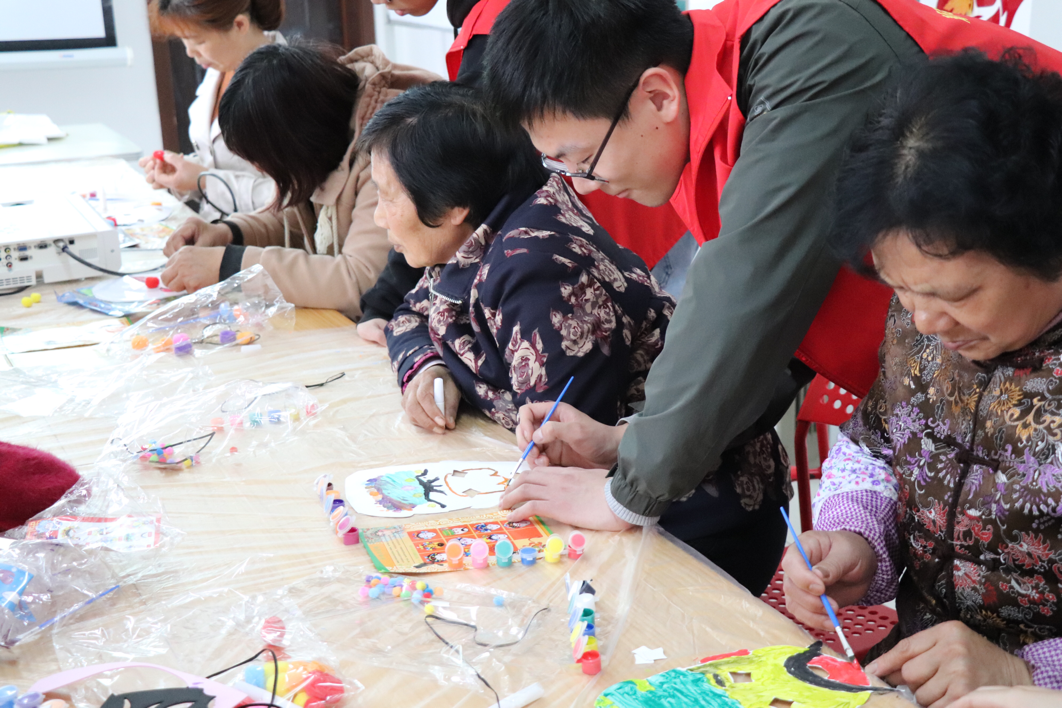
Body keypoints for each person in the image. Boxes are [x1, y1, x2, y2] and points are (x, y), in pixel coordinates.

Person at [485, 0, 1062, 596]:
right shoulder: (717, 125)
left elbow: (748, 294)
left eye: (584, 161)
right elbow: (813, 378)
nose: (584, 188)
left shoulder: (809, 52)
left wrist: (628, 491)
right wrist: (631, 440)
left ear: (658, 96)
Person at [781, 52, 1062, 706]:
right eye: (900, 289)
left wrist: (1025, 675)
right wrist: (856, 538)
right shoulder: (922, 321)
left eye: (957, 295)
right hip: (920, 675)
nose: (926, 321)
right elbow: (878, 443)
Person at [354, 0, 689, 347]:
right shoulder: (486, 17)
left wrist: (384, 301)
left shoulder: (504, 21)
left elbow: (446, 171)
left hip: (624, 237)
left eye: (388, 195)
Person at [359, 82, 676, 434]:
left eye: (388, 196)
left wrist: (458, 371)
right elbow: (408, 317)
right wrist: (429, 367)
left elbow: (558, 440)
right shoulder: (472, 236)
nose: (379, 217)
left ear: (453, 204)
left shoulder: (538, 273)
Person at [159, 43, 437, 320]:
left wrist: (229, 265)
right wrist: (228, 233)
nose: (259, 168)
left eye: (261, 159)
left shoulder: (387, 150)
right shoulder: (326, 128)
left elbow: (360, 282)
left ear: (295, 142)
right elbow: (300, 217)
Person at [144, 0, 286, 219]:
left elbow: (295, 199)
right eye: (183, 40)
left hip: (262, 235)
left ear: (239, 25)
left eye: (198, 41)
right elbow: (219, 159)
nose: (189, 52)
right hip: (215, 227)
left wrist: (204, 180)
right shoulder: (223, 66)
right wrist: (183, 172)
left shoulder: (286, 84)